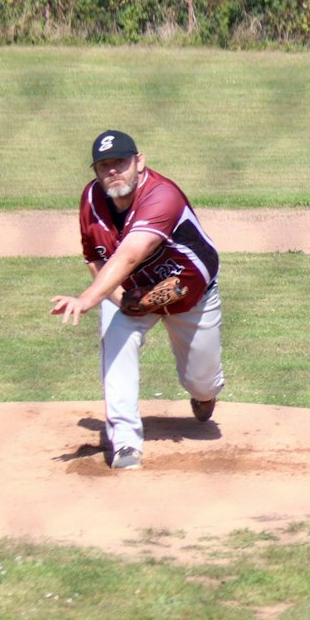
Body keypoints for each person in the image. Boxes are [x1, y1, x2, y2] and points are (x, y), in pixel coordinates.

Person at [49, 131, 225, 471]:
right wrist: (118, 299)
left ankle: (205, 395)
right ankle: (126, 443)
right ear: (96, 172)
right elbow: (93, 256)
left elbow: (130, 254)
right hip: (127, 292)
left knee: (201, 382)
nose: (113, 171)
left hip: (191, 297)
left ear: (139, 162)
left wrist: (86, 299)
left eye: (120, 162)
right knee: (115, 346)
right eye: (104, 166)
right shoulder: (91, 198)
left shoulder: (162, 196)